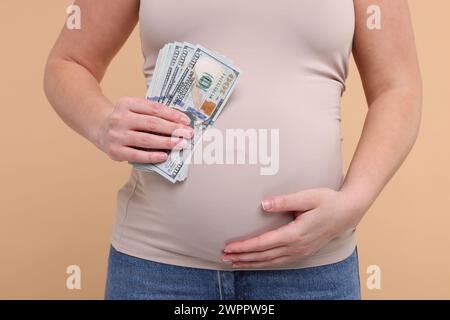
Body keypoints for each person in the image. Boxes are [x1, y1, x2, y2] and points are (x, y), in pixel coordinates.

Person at [44, 0, 422, 300]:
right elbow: (69, 62)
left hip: (312, 273)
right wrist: (102, 124)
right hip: (157, 270)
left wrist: (354, 201)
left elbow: (397, 86)